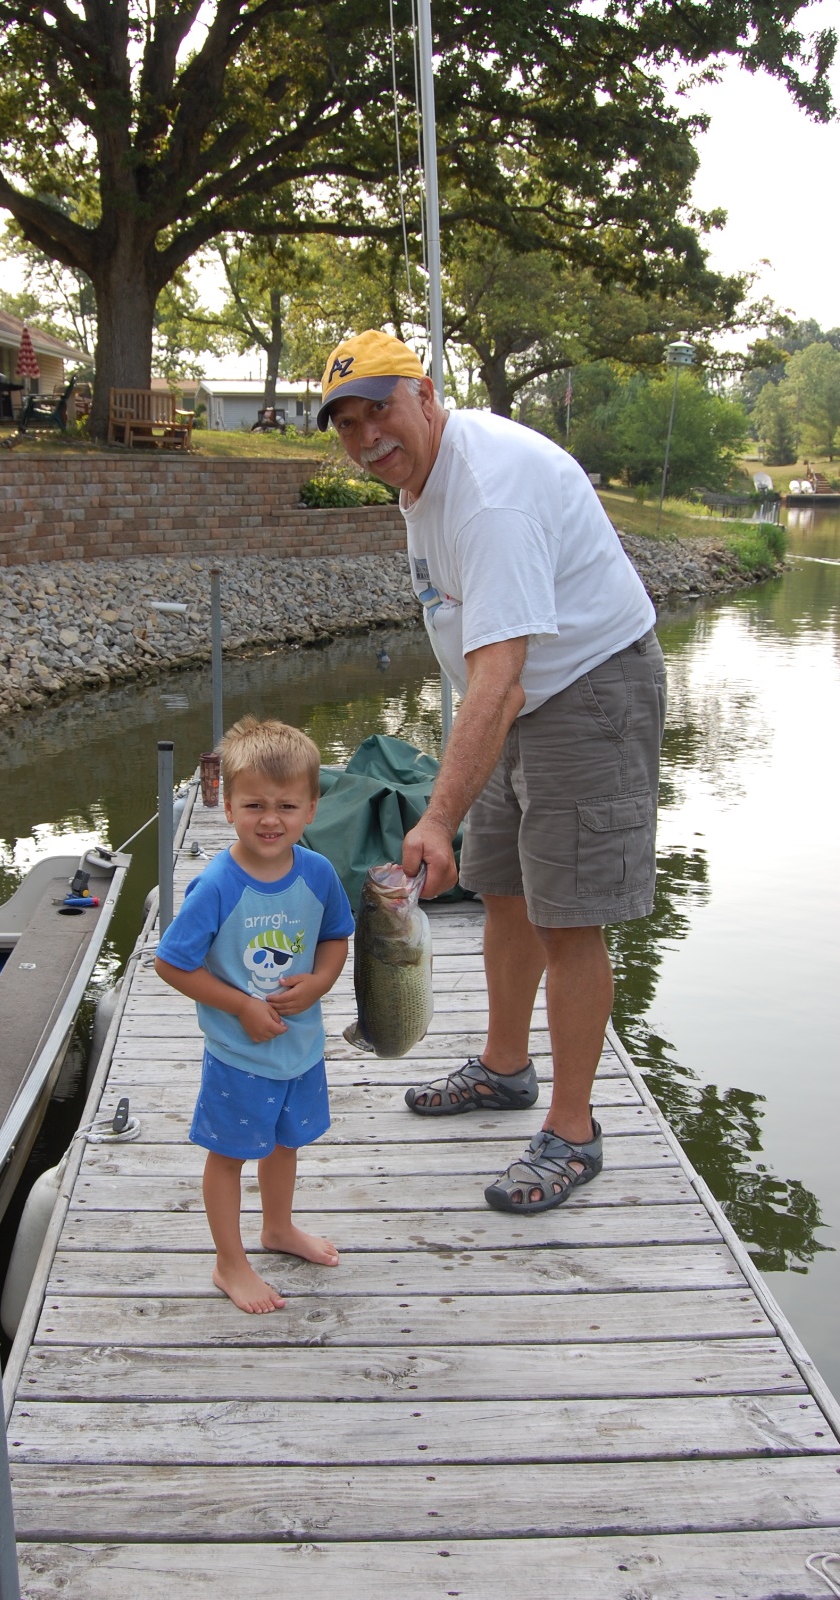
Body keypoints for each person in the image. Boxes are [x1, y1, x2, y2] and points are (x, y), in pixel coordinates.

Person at [317, 329, 666, 1215]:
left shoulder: (490, 496)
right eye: (346, 424)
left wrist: (434, 819)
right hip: (519, 696)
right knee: (504, 886)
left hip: (589, 687)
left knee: (570, 913)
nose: (366, 439)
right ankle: (505, 1069)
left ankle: (574, 1132)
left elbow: (501, 671)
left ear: (426, 394)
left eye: (380, 411)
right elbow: (489, 672)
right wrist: (453, 803)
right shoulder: (420, 477)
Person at [154, 716, 354, 1312]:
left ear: (312, 808)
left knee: (284, 1144)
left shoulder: (316, 873)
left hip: (299, 1047)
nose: (271, 819)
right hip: (239, 1056)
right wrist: (241, 1004)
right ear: (228, 806)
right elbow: (172, 964)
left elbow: (336, 937)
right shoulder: (217, 884)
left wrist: (320, 982)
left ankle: (278, 1228)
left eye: (287, 805)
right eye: (255, 804)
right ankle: (229, 1262)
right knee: (230, 1154)